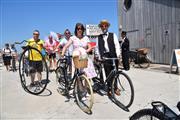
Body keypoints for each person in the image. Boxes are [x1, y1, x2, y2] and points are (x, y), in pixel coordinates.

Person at [96, 20, 121, 96]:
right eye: (102, 26)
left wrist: (118, 55)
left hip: (113, 55)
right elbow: (97, 48)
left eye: (105, 25)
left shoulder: (113, 35)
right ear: (101, 27)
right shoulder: (98, 37)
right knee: (108, 72)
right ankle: (109, 88)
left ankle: (116, 87)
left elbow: (117, 46)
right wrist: (99, 57)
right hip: (105, 56)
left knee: (115, 72)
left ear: (107, 27)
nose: (104, 27)